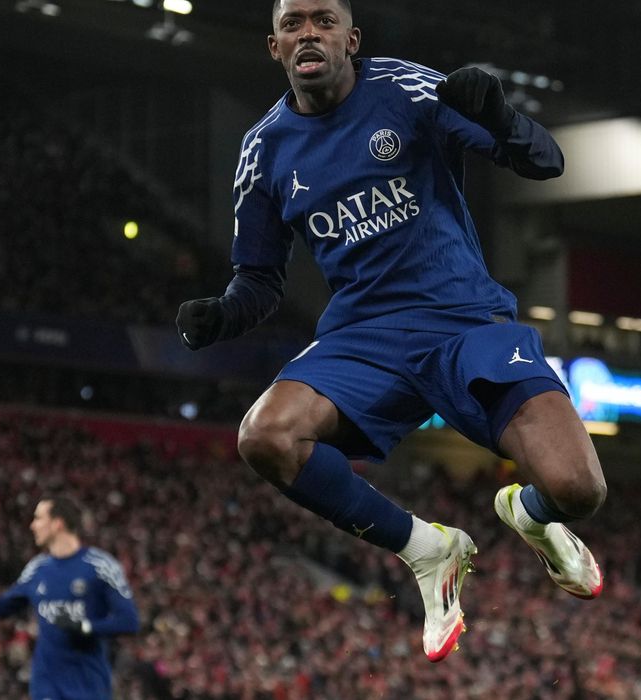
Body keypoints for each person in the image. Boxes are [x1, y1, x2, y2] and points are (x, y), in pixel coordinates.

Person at [176, 0, 607, 662]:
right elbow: (259, 279)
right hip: (364, 335)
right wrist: (224, 314)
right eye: (293, 24)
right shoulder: (263, 149)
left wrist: (500, 116)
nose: (309, 33)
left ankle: (530, 515)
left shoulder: (408, 90)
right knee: (264, 435)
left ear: (352, 38)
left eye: (324, 21)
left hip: (464, 319)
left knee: (579, 490)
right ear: (274, 46)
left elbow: (545, 162)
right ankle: (426, 549)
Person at [0, 497, 139, 699]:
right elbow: (4, 606)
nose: (32, 525)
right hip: (46, 683)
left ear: (58, 524)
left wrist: (85, 627)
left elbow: (129, 622)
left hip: (88, 684)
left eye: (39, 518)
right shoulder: (37, 568)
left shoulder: (100, 566)